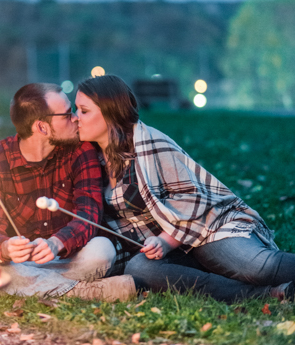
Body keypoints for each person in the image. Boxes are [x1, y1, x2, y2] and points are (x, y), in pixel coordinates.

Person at [75, 74, 294, 303]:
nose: (75, 117)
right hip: (170, 251)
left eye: (83, 110)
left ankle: (269, 283)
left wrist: (164, 241)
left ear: (110, 113)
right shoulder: (91, 160)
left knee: (257, 267)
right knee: (139, 269)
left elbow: (192, 200)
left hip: (207, 229)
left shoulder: (150, 145)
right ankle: (265, 295)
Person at [0, 83, 137, 301]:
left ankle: (28, 285)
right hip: (19, 262)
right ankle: (81, 291)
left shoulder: (81, 150)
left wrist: (57, 242)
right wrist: (5, 247)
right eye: (68, 114)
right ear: (41, 127)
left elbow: (89, 214)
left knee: (102, 251)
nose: (76, 119)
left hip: (67, 258)